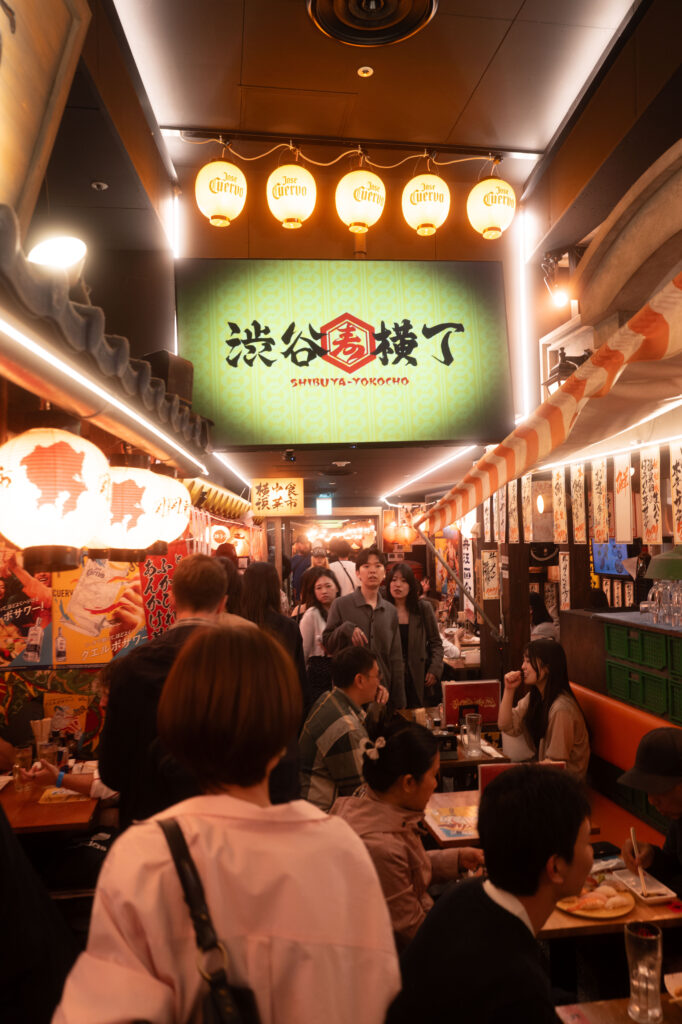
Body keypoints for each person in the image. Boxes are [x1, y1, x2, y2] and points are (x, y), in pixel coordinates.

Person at [54, 626, 401, 1024]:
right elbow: (375, 993)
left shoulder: (144, 858)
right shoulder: (342, 850)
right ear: (283, 724)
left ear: (177, 723)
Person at [386, 765, 594, 1024]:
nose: (592, 854)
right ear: (555, 867)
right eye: (587, 842)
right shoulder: (517, 988)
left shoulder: (464, 895)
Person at [98, 554, 228, 829]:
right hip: (224, 826)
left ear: (170, 598)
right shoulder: (247, 663)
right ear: (223, 603)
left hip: (148, 825)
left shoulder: (130, 667)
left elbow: (112, 772)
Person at [332, 722, 484, 949]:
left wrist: (457, 858)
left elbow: (406, 870)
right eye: (434, 775)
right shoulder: (380, 846)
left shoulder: (371, 805)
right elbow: (417, 935)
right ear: (408, 783)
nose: (436, 784)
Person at [299, 646, 388, 812]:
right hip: (322, 819)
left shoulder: (329, 698)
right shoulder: (346, 728)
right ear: (360, 680)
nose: (380, 682)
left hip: (307, 808)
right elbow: (364, 796)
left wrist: (376, 707)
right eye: (377, 676)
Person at [322, 547, 406, 707]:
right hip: (349, 696)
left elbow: (396, 658)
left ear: (384, 573)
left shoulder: (390, 611)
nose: (372, 571)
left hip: (383, 696)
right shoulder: (340, 605)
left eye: (378, 566)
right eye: (366, 566)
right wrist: (345, 629)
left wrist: (399, 702)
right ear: (358, 573)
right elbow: (327, 645)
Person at [499, 638, 590, 780]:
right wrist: (509, 690)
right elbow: (505, 725)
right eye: (523, 661)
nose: (523, 666)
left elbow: (555, 764)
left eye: (528, 661)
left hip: (567, 786)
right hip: (548, 777)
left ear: (547, 667)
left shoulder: (561, 709)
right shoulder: (536, 697)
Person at [619, 728, 682, 894]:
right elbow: (674, 866)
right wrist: (651, 857)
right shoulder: (678, 816)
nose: (651, 800)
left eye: (657, 790)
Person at [384, 562, 443, 708]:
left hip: (417, 676)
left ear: (411, 585)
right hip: (390, 676)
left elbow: (436, 642)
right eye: (394, 580)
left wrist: (435, 669)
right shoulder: (382, 609)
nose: (398, 585)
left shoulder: (423, 608)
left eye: (403, 581)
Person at [299, 568, 341, 702]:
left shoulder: (343, 611)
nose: (324, 591)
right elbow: (303, 653)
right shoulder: (312, 614)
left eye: (328, 586)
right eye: (319, 588)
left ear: (337, 588)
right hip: (319, 676)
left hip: (342, 673)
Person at [290, 536, 311, 601]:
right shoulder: (293, 559)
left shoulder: (313, 558)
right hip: (298, 595)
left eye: (307, 543)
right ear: (298, 544)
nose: (305, 545)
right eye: (303, 543)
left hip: (310, 594)